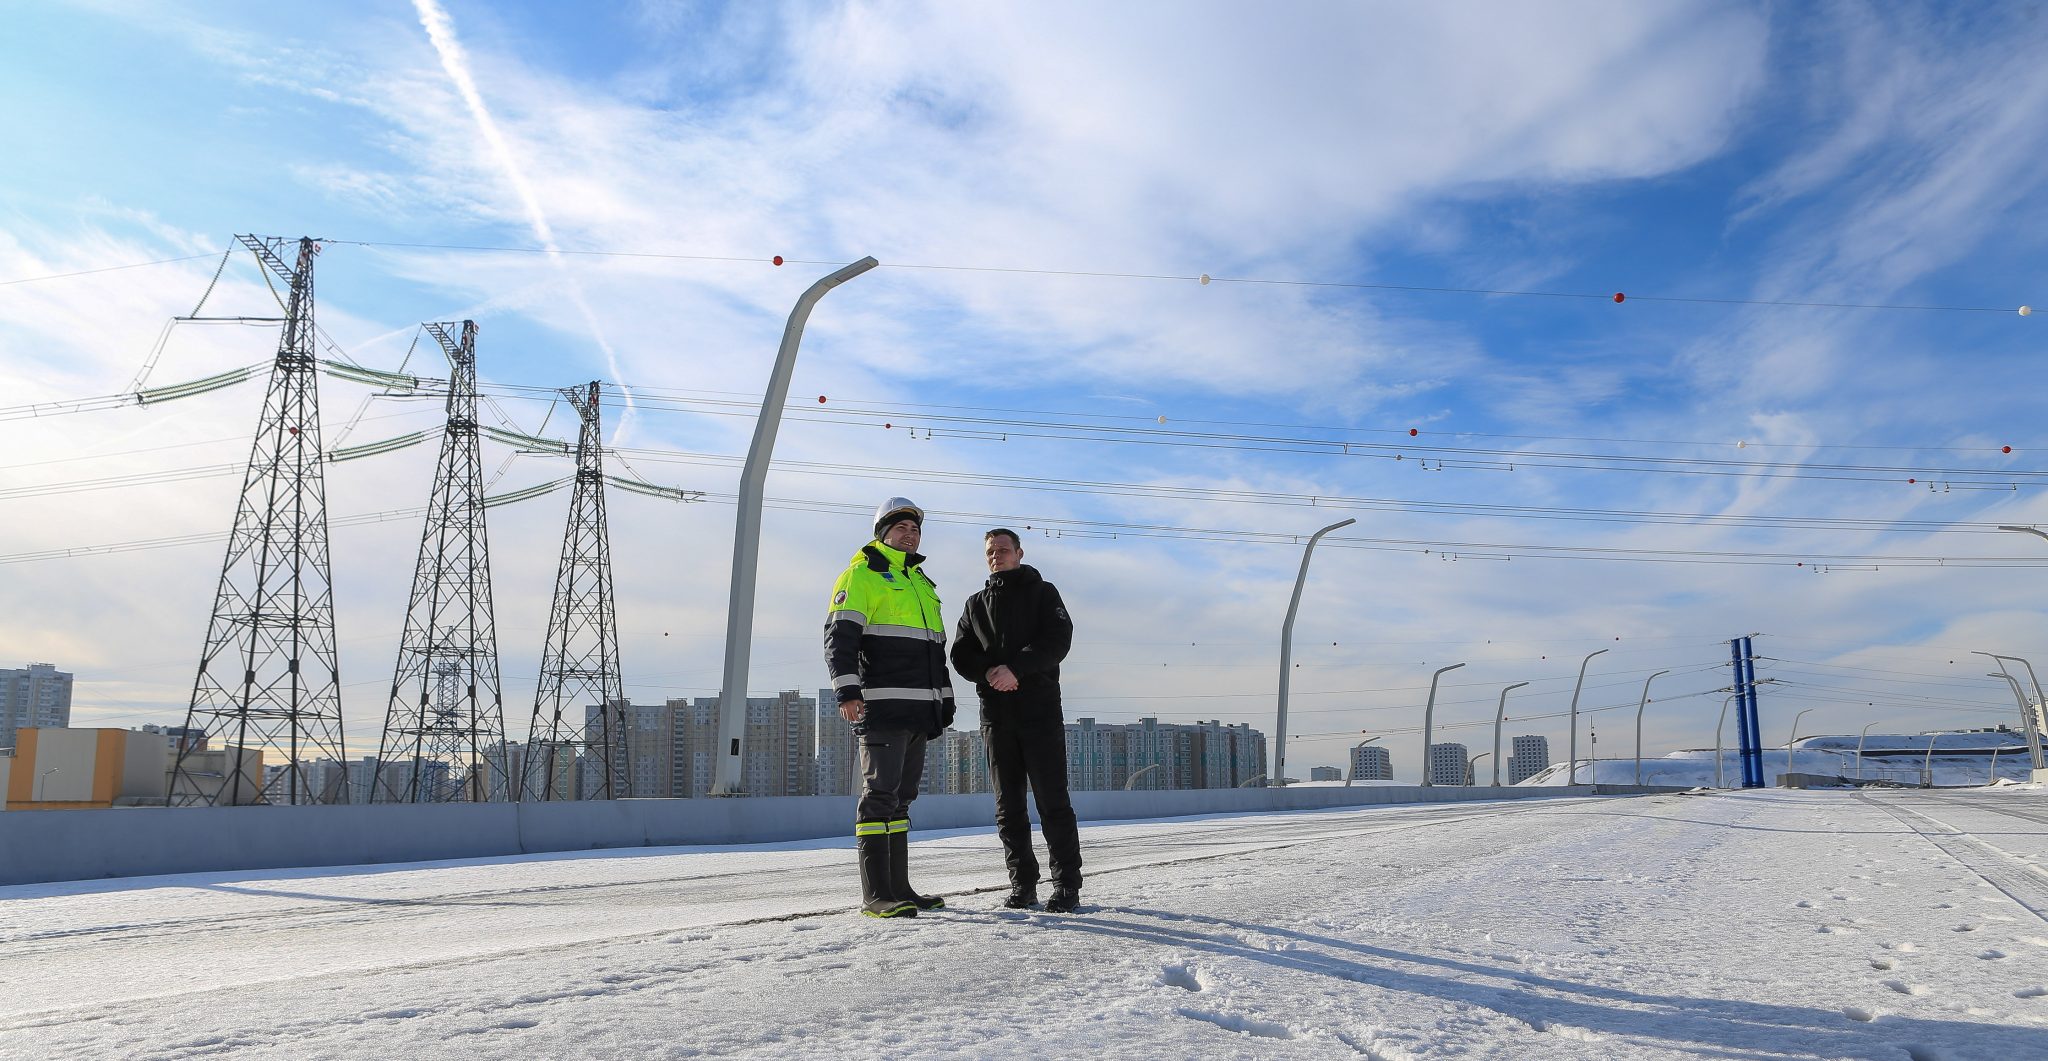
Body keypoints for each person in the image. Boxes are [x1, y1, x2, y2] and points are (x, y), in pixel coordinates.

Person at [824, 497, 956, 918]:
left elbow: (936, 651)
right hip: (880, 706)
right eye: (901, 528)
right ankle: (876, 894)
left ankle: (901, 888)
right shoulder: (863, 574)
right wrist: (847, 691)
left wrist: (945, 701)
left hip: (919, 711)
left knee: (901, 800)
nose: (910, 534)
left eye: (915, 529)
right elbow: (839, 637)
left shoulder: (922, 584)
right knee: (878, 797)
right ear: (881, 532)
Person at [950, 527, 1082, 912]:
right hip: (996, 716)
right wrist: (992, 672)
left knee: (1052, 802)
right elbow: (960, 655)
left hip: (1039, 712)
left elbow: (1058, 640)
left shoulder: (1044, 593)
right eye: (991, 551)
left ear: (1019, 553)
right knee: (1008, 807)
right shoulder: (975, 605)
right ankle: (1023, 884)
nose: (997, 555)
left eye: (1004, 549)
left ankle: (1066, 886)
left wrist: (1017, 669)